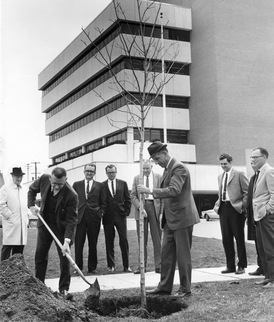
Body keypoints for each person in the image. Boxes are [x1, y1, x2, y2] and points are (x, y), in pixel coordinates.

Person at [137, 142, 200, 297]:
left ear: (165, 152)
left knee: (182, 256)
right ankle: (164, 287)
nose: (156, 162)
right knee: (166, 254)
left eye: (157, 158)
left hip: (182, 219)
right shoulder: (167, 168)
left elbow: (174, 190)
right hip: (170, 220)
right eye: (154, 160)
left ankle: (185, 289)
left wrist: (149, 191)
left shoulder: (179, 168)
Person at [28, 167, 78, 298]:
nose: (56, 187)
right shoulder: (44, 179)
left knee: (65, 258)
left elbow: (71, 220)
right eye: (54, 183)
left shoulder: (71, 195)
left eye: (60, 184)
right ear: (50, 178)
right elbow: (32, 190)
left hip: (61, 228)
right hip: (44, 225)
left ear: (66, 180)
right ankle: (39, 285)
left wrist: (67, 241)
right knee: (40, 255)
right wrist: (31, 205)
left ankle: (64, 289)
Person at [214, 153, 249, 274]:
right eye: (221, 164)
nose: (223, 166)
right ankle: (230, 266)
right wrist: (217, 204)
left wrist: (242, 206)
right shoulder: (220, 177)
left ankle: (241, 265)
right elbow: (221, 193)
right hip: (223, 209)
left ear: (230, 162)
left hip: (236, 209)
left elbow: (247, 192)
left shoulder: (239, 174)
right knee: (226, 238)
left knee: (239, 238)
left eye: (225, 163)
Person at [72, 163, 106, 274]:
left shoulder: (100, 186)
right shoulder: (76, 185)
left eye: (91, 171)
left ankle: (92, 268)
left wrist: (100, 213)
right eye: (87, 171)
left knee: (93, 244)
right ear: (84, 172)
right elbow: (72, 201)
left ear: (94, 173)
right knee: (78, 244)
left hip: (94, 219)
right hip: (80, 218)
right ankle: (78, 268)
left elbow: (103, 202)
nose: (89, 173)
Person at [131, 159, 162, 274]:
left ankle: (159, 265)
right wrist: (140, 207)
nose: (145, 170)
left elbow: (162, 195)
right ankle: (142, 266)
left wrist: (162, 212)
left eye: (147, 168)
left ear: (152, 167)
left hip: (155, 208)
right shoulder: (137, 178)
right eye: (143, 168)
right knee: (142, 239)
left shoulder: (159, 177)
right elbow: (133, 196)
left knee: (157, 239)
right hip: (142, 210)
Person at [250, 147, 274, 288]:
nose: (252, 160)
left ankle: (273, 279)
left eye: (255, 157)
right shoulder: (258, 173)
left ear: (264, 157)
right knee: (262, 248)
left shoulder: (269, 171)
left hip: (266, 216)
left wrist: (268, 210)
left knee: (270, 248)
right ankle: (267, 276)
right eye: (251, 158)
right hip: (258, 216)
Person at [102, 164, 132, 273]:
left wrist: (127, 211)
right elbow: (102, 201)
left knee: (123, 240)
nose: (111, 174)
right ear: (106, 173)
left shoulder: (123, 183)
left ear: (116, 172)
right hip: (107, 217)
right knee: (109, 241)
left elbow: (128, 199)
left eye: (113, 172)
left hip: (121, 216)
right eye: (109, 172)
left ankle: (126, 265)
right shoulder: (102, 185)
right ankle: (111, 266)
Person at [0, 167, 29, 261]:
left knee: (18, 255)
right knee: (6, 252)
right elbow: (1, 204)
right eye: (17, 176)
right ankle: (2, 273)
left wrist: (27, 217)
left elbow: (26, 205)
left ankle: (16, 274)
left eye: (20, 176)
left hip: (22, 226)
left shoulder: (24, 189)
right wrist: (10, 216)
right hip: (11, 225)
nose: (19, 178)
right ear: (12, 176)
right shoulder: (5, 188)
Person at [246, 166, 264, 276]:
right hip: (253, 215)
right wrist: (249, 216)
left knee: (266, 243)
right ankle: (261, 267)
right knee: (258, 243)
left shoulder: (266, 176)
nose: (253, 165)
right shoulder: (253, 178)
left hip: (263, 215)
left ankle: (268, 269)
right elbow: (250, 198)